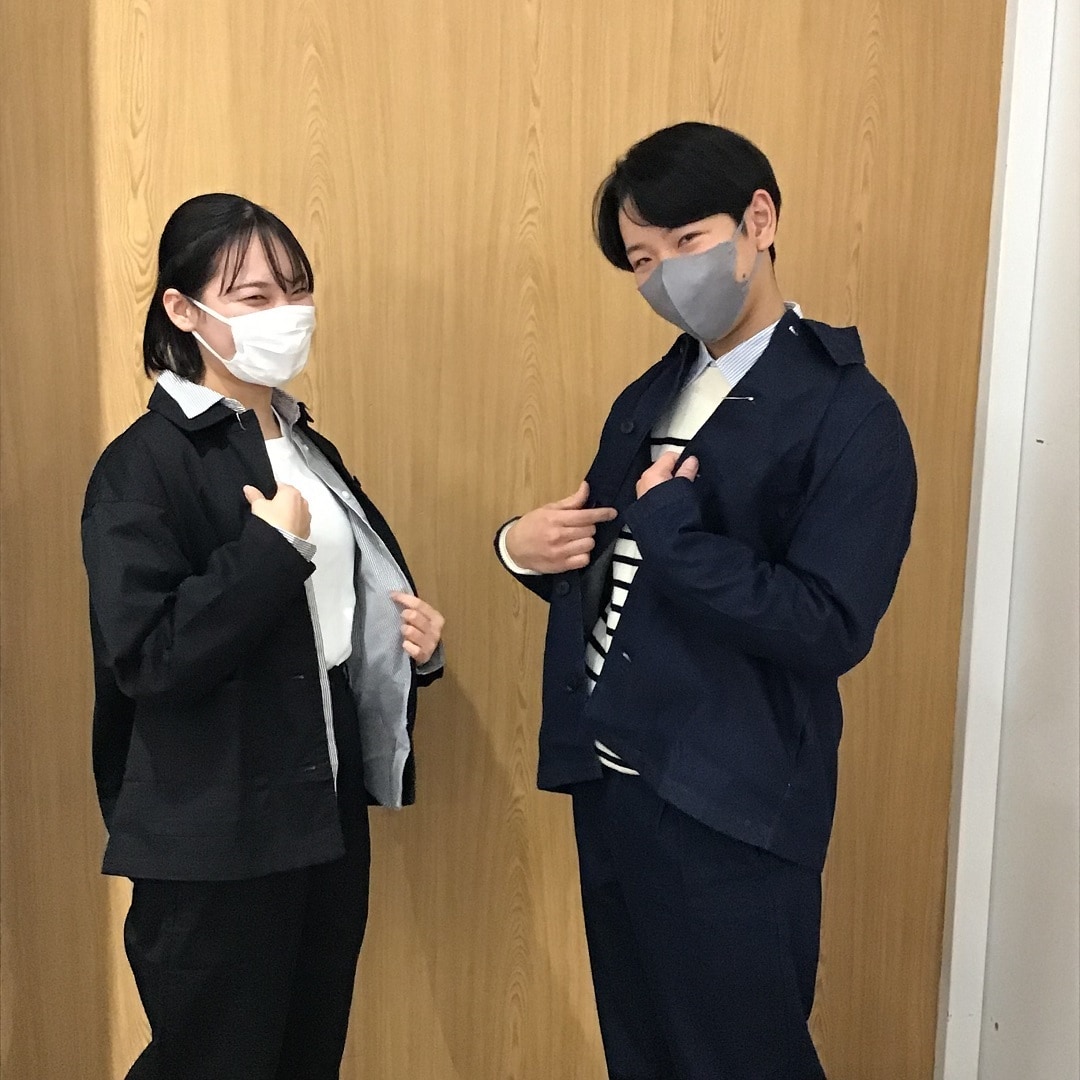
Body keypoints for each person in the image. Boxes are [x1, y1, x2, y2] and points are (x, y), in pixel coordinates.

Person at [494, 122, 916, 1080]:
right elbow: (612, 557)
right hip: (612, 777)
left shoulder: (850, 413)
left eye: (686, 241)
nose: (666, 276)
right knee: (642, 1051)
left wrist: (676, 535)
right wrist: (524, 548)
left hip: (729, 798)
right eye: (643, 259)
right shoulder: (656, 390)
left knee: (741, 1057)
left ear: (758, 220)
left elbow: (827, 624)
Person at [82, 193, 445, 1080]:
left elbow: (328, 619)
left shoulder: (302, 441)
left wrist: (412, 642)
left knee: (307, 1056)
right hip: (215, 829)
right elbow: (149, 657)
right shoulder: (141, 465)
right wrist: (270, 552)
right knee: (213, 1061)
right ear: (181, 310)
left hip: (323, 810)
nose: (288, 313)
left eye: (297, 289)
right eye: (254, 296)